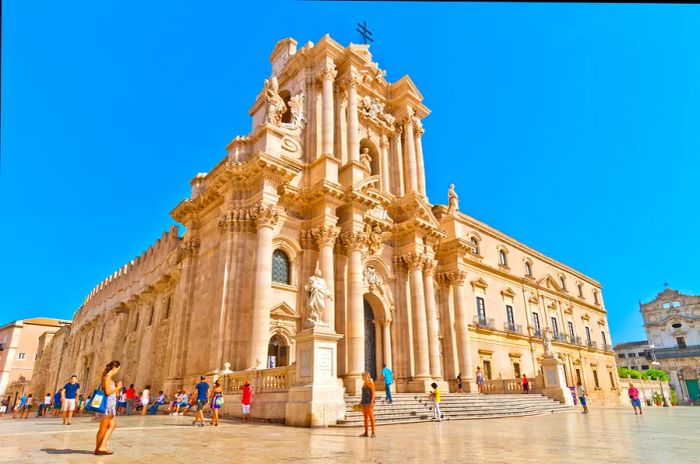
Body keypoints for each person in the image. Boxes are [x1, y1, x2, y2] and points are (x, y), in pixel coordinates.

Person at [95, 360, 122, 456]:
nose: (117, 371)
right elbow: (107, 392)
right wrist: (117, 388)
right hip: (107, 406)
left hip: (110, 405)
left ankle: (100, 447)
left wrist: (115, 388)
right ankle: (100, 448)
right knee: (103, 428)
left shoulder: (108, 378)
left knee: (112, 425)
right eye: (118, 369)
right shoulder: (107, 377)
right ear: (114, 368)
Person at [359, 372, 376, 438]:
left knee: (371, 418)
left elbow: (373, 394)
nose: (362, 378)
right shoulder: (364, 384)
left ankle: (373, 432)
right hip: (364, 403)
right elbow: (363, 394)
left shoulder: (371, 383)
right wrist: (361, 402)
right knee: (365, 418)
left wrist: (371, 402)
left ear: (367, 376)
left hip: (369, 403)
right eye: (362, 376)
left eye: (363, 376)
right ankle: (366, 432)